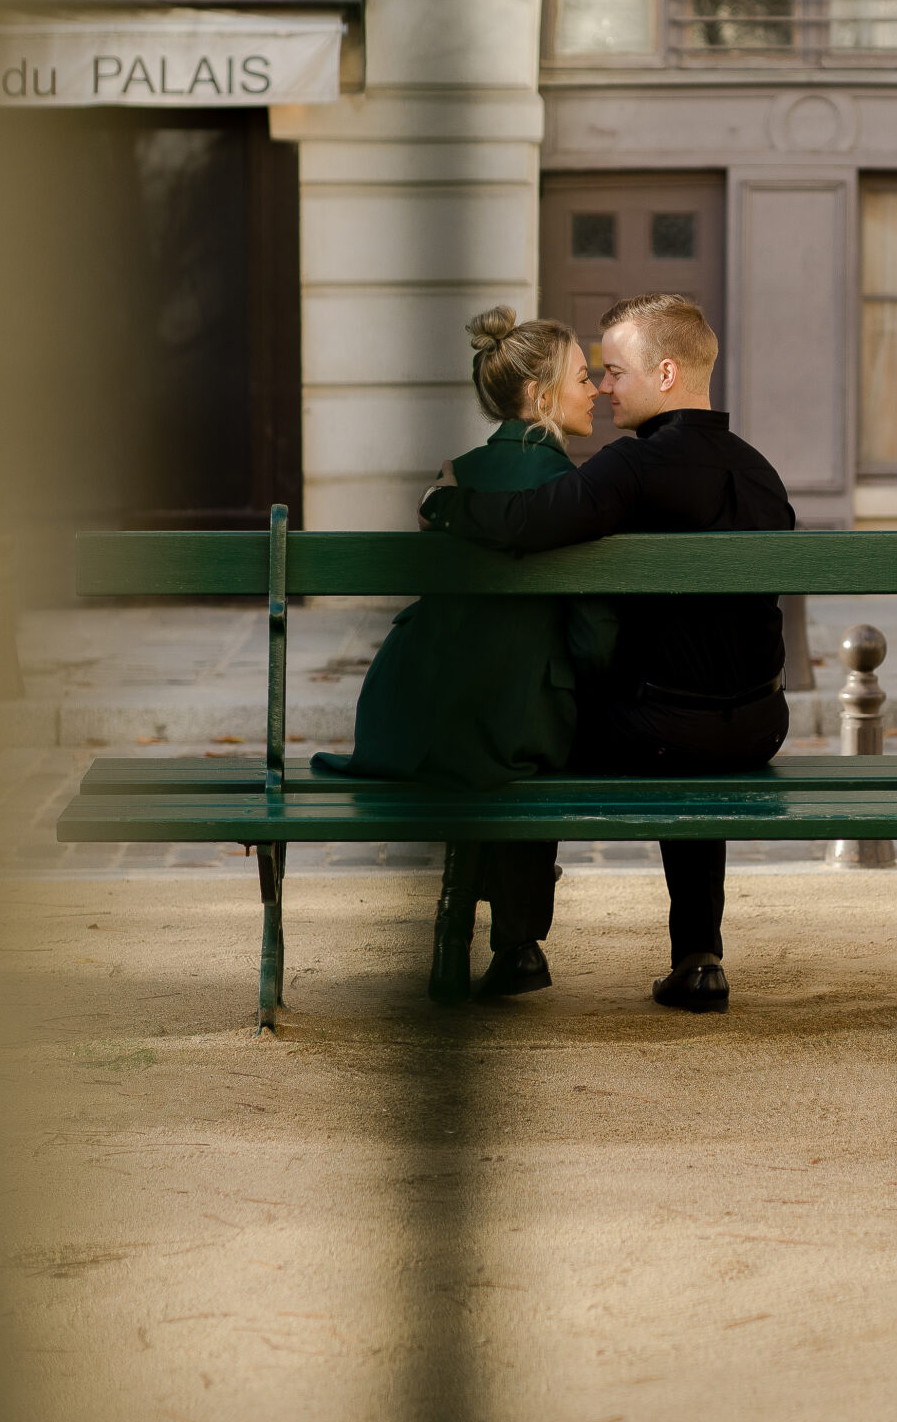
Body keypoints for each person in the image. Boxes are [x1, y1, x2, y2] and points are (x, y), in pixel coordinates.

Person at [420, 291, 795, 1015]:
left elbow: (529, 521)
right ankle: (697, 956)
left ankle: (515, 942)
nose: (603, 386)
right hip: (756, 726)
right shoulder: (760, 473)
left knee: (537, 717)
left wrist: (446, 502)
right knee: (694, 738)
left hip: (656, 730)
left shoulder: (634, 468)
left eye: (615, 371)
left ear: (662, 373)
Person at [314, 307, 612, 1003]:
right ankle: (517, 942)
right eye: (580, 377)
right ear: (540, 398)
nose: (594, 388)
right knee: (530, 732)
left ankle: (462, 935)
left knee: (486, 728)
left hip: (413, 715)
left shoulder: (451, 479)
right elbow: (593, 637)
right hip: (516, 727)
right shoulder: (574, 493)